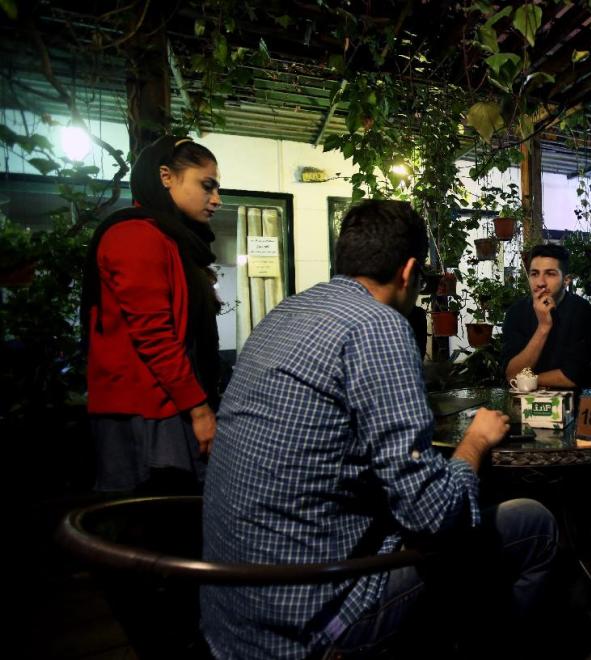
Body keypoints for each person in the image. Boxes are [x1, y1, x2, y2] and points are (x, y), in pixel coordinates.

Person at [200, 200, 557, 658]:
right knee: (533, 523)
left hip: (231, 613)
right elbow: (431, 515)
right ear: (409, 272)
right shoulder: (378, 326)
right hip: (311, 625)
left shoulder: (283, 314)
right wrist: (475, 443)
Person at [81, 136, 221, 494]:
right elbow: (154, 335)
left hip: (164, 404)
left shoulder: (168, 237)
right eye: (207, 186)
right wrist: (200, 409)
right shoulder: (135, 235)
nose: (216, 199)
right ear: (166, 177)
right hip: (144, 413)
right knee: (149, 525)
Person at [502, 244, 591, 388]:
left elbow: (571, 377)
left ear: (566, 280)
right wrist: (543, 327)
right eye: (534, 274)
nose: (540, 283)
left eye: (550, 274)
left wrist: (526, 380)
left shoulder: (580, 310)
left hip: (570, 401)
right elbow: (512, 375)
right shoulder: (516, 312)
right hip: (523, 401)